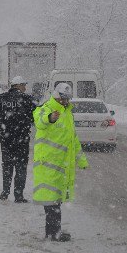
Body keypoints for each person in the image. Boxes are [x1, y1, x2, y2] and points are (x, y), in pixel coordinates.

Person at [33, 82, 89, 242]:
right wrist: (49, 119)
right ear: (56, 96)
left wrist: (81, 160)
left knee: (55, 200)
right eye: (63, 99)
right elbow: (39, 121)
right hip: (48, 165)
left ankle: (53, 232)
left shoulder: (67, 113)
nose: (65, 102)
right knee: (52, 202)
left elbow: (74, 140)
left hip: (61, 166)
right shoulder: (46, 108)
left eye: (67, 99)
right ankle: (53, 233)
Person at [0, 76, 35, 202]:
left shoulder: (2, 98)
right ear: (18, 85)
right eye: (24, 85)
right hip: (22, 138)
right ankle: (18, 195)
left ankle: (5, 192)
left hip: (6, 139)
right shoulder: (27, 99)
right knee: (21, 166)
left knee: (7, 165)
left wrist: (4, 125)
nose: (25, 88)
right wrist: (25, 123)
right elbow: (35, 116)